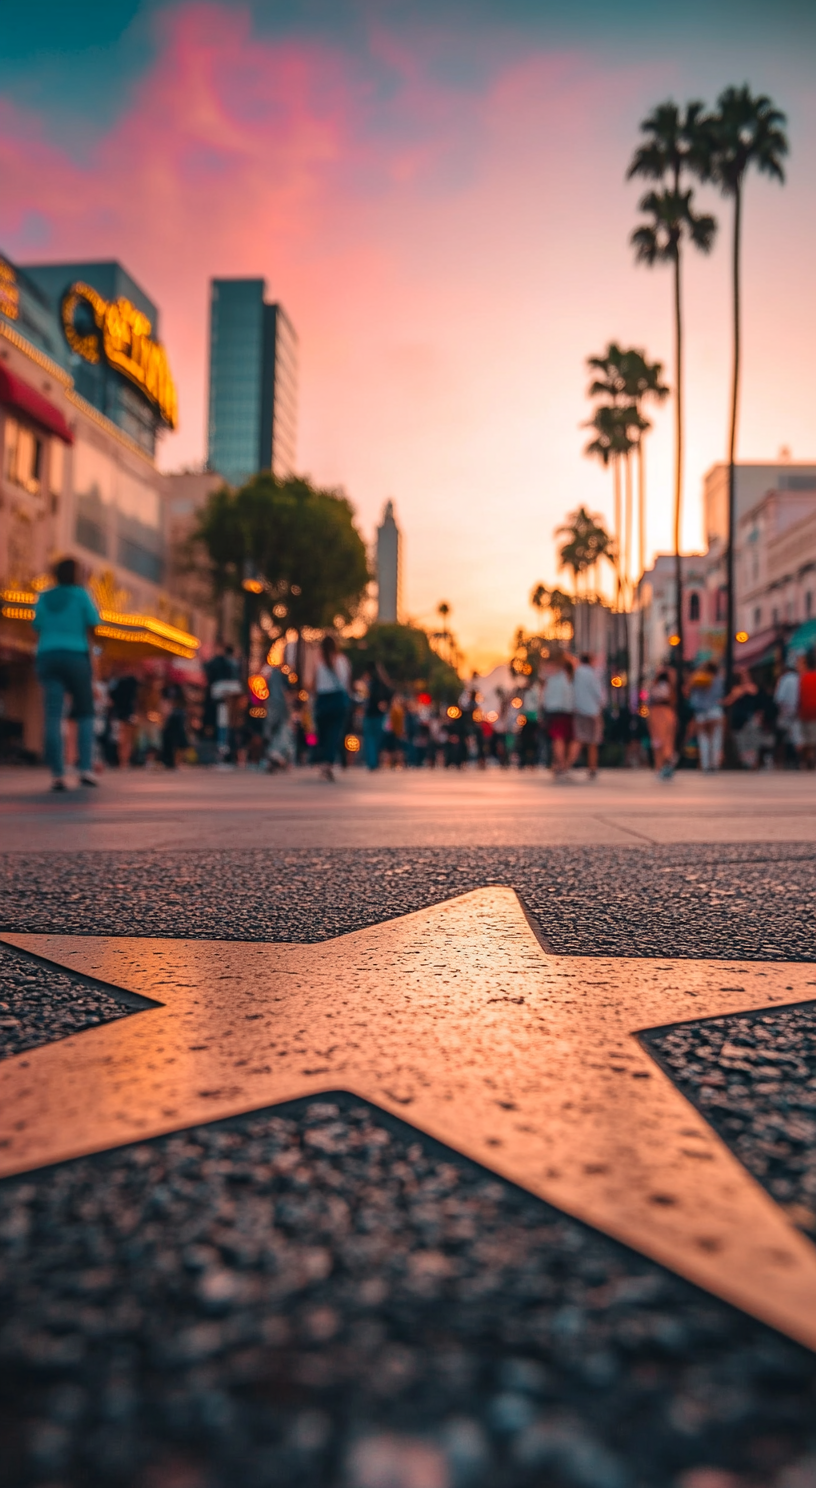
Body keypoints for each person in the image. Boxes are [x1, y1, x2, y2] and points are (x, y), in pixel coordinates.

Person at [33, 556, 101, 791]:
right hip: (75, 656)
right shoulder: (81, 594)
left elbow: (37, 626)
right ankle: (85, 769)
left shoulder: (44, 595)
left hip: (48, 656)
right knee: (85, 713)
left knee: (52, 715)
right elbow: (94, 622)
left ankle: (58, 774)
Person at [313, 634, 351, 781]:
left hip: (323, 699)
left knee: (322, 732)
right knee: (334, 733)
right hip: (339, 699)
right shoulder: (342, 660)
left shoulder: (318, 661)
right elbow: (347, 684)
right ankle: (329, 762)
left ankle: (324, 762)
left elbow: (313, 683)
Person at [571, 653, 604, 777]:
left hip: (578, 710)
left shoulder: (575, 673)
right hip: (591, 711)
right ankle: (592, 767)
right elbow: (598, 693)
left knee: (579, 738)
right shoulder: (591, 674)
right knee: (593, 741)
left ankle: (566, 764)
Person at [688, 660, 724, 773]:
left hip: (701, 712)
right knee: (716, 739)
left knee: (703, 739)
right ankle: (714, 764)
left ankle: (705, 765)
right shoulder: (718, 680)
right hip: (715, 711)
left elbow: (691, 696)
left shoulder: (698, 680)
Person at [542, 654, 575, 780]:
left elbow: (545, 695)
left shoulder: (552, 678)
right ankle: (562, 765)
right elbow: (568, 694)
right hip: (562, 711)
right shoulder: (563, 678)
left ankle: (559, 765)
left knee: (558, 738)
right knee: (560, 739)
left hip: (553, 710)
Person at [724, 668, 762, 769]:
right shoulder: (736, 688)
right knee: (741, 742)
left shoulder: (751, 687)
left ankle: (753, 763)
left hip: (749, 718)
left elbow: (753, 691)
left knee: (752, 741)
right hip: (738, 720)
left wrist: (741, 690)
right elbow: (728, 701)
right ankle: (745, 763)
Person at [361, 662, 392, 771]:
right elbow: (390, 695)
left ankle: (372, 762)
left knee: (370, 739)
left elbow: (365, 698)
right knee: (377, 739)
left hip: (370, 714)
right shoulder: (384, 684)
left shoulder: (370, 684)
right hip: (379, 715)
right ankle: (374, 761)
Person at [648, 668, 677, 778]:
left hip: (656, 715)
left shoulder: (655, 687)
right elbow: (671, 699)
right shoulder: (667, 687)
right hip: (665, 715)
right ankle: (666, 765)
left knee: (658, 741)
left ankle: (659, 767)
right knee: (666, 741)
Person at [774, 656, 801, 768]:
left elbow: (779, 698)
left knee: (787, 737)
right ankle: (797, 760)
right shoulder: (799, 678)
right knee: (797, 737)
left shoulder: (785, 679)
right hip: (798, 712)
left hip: (786, 712)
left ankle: (788, 760)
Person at [798, 651, 816, 771]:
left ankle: (810, 759)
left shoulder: (803, 678)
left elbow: (800, 697)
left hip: (806, 712)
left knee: (809, 739)